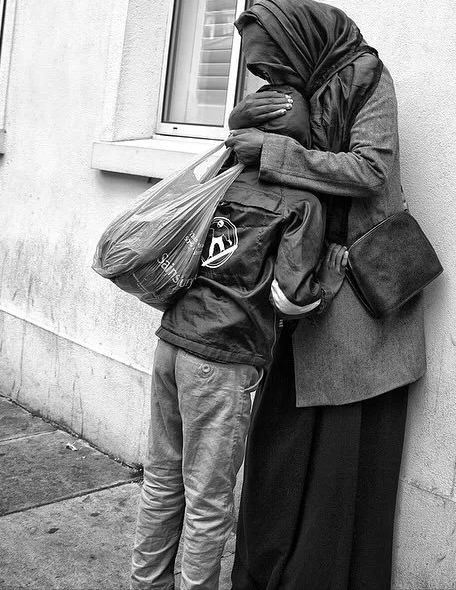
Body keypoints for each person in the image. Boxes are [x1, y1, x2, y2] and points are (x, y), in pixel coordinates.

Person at [225, 0, 427, 590]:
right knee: (279, 450)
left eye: (275, 68)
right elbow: (248, 141)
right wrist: (252, 119)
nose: (270, 81)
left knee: (341, 460)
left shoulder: (368, 80)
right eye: (261, 72)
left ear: (301, 45)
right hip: (298, 283)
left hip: (356, 297)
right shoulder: (300, 90)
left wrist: (276, 150)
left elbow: (370, 171)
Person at [130, 88, 347, 590]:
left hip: (173, 340)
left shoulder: (222, 180)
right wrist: (328, 285)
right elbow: (290, 297)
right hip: (223, 356)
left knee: (162, 482)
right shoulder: (302, 200)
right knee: (208, 500)